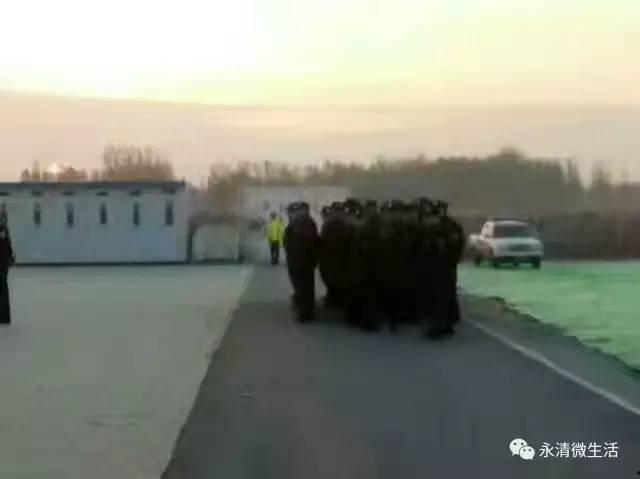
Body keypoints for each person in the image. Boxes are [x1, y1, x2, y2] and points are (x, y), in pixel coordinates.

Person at [283, 202, 320, 322]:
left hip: (301, 261)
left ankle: (305, 313)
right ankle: (306, 311)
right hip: (299, 261)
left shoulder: (304, 224)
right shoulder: (300, 223)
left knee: (303, 287)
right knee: (303, 287)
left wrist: (311, 259)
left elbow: (309, 243)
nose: (292, 214)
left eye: (294, 211)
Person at [0, 222, 15, 325]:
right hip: (4, 264)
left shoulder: (2, 230)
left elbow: (7, 247)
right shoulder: (4, 230)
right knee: (3, 288)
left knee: (2, 288)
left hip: (2, 264)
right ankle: (4, 317)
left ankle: (4, 317)